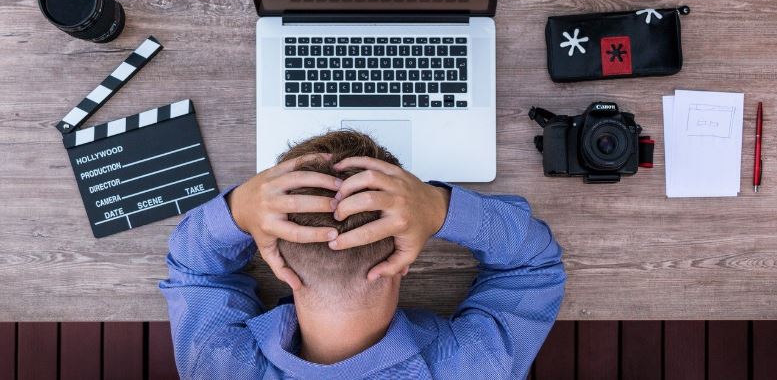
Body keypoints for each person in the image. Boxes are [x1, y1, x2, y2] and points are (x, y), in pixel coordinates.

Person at [161, 130, 566, 379]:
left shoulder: (217, 367)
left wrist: (237, 211)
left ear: (277, 261)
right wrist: (439, 207)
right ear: (402, 263)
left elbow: (195, 271)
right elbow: (533, 264)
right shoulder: (476, 367)